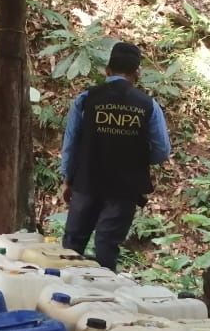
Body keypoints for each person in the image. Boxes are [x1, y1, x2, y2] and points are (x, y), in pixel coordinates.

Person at [60, 42, 172, 270]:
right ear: (137, 74)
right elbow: (162, 151)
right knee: (106, 246)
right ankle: (103, 300)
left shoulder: (86, 99)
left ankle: (62, 295)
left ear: (107, 71)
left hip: (87, 182)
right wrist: (133, 157)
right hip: (124, 189)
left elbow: (71, 144)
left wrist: (67, 179)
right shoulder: (148, 106)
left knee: (72, 244)